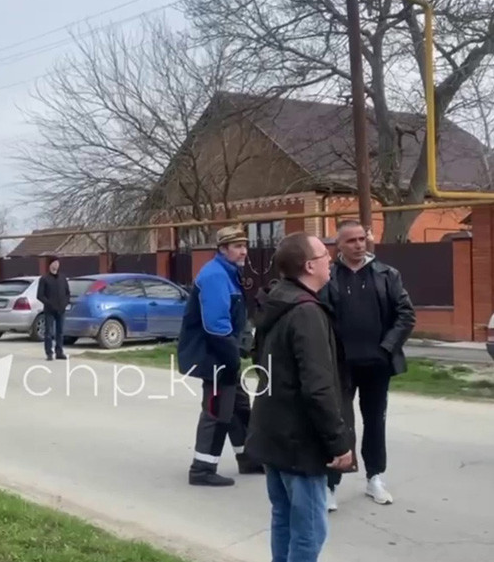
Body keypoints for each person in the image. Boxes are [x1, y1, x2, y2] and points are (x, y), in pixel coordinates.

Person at [246, 232, 354, 562]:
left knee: (284, 518)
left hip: (273, 432)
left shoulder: (276, 301)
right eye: (324, 255)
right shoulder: (306, 312)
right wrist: (338, 442)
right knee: (309, 530)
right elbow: (318, 387)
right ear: (309, 266)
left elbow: (259, 363)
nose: (331, 260)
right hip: (299, 442)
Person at [320, 219, 416, 508]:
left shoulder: (387, 274)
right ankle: (331, 484)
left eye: (362, 239)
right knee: (339, 422)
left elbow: (406, 315)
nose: (359, 245)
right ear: (339, 245)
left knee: (375, 421)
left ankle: (375, 477)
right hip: (341, 364)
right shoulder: (328, 276)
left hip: (377, 364)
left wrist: (387, 347)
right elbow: (319, 315)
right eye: (351, 240)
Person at [177, 225, 262, 486]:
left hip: (222, 353)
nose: (243, 251)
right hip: (214, 354)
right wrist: (232, 357)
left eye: (245, 245)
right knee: (217, 410)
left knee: (238, 406)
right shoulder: (215, 275)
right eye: (237, 246)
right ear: (223, 249)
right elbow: (216, 325)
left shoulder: (228, 272)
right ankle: (202, 469)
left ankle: (249, 458)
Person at [35, 256, 71, 361]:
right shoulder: (44, 279)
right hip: (49, 310)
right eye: (54, 263)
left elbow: (67, 293)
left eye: (57, 263)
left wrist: (64, 304)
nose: (56, 265)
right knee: (49, 332)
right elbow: (40, 295)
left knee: (60, 332)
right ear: (50, 265)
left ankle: (59, 352)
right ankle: (49, 353)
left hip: (61, 310)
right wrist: (50, 304)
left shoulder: (62, 278)